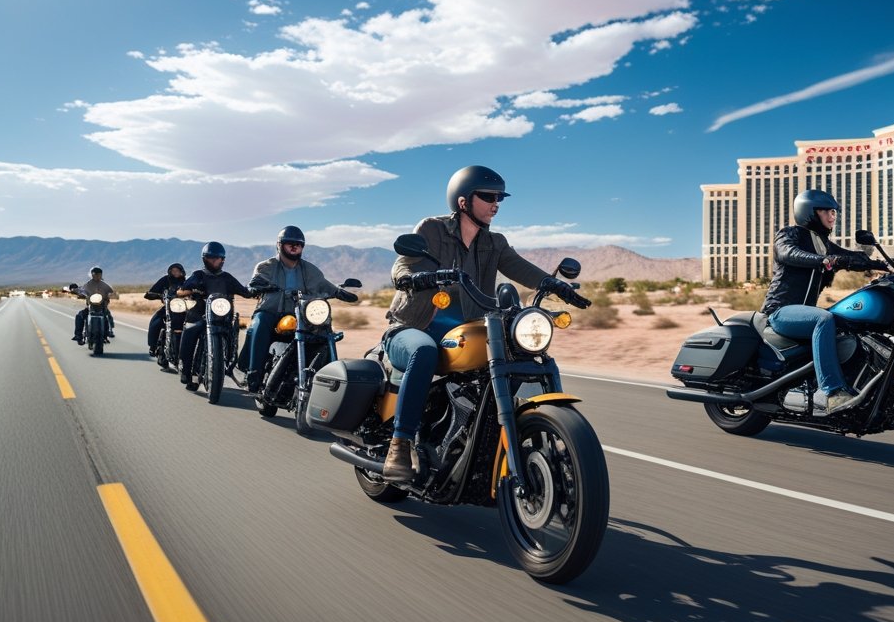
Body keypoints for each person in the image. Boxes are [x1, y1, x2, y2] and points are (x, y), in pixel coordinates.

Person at [382, 165, 590, 481]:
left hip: (464, 330)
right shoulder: (432, 230)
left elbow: (521, 268)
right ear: (464, 201)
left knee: (515, 352)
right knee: (423, 352)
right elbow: (403, 265)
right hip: (414, 327)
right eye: (488, 196)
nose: (496, 204)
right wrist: (411, 278)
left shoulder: (495, 243)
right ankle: (400, 443)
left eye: (499, 198)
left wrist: (554, 285)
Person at [760, 189, 883, 415]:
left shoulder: (823, 243)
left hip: (803, 312)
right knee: (824, 318)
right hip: (780, 312)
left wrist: (883, 265)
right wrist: (824, 260)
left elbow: (852, 258)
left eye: (834, 212)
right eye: (827, 211)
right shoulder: (789, 234)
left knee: (849, 323)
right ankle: (832, 392)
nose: (832, 216)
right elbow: (789, 253)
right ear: (809, 212)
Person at [240, 225, 358, 393]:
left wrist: (339, 292)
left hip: (298, 314)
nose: (294, 247)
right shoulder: (266, 266)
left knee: (324, 332)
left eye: (298, 244)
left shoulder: (309, 269)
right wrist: (257, 286)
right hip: (270, 311)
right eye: (289, 243)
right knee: (260, 324)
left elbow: (323, 284)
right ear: (280, 245)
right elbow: (257, 280)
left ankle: (326, 384)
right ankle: (254, 374)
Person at [176, 242, 252, 391]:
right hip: (200, 315)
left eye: (217, 258)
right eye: (211, 258)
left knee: (234, 334)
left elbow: (245, 291)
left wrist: (254, 290)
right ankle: (185, 369)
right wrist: (192, 290)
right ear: (205, 259)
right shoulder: (199, 275)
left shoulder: (227, 277)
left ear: (223, 260)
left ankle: (231, 366)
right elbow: (180, 291)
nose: (215, 261)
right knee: (190, 333)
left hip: (223, 318)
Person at [143, 263, 187, 355]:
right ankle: (153, 346)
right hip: (169, 307)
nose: (175, 273)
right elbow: (153, 290)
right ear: (170, 272)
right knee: (156, 321)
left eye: (177, 271)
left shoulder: (186, 282)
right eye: (173, 271)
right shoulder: (165, 280)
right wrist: (153, 294)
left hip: (183, 308)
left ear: (182, 272)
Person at [69, 266, 117, 344]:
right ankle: (78, 335)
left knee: (107, 316)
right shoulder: (88, 284)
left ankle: (108, 331)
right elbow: (82, 290)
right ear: (92, 275)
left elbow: (112, 292)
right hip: (90, 307)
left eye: (98, 274)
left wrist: (113, 295)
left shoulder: (104, 285)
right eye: (95, 274)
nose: (97, 276)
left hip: (102, 307)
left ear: (101, 275)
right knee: (79, 316)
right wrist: (75, 290)